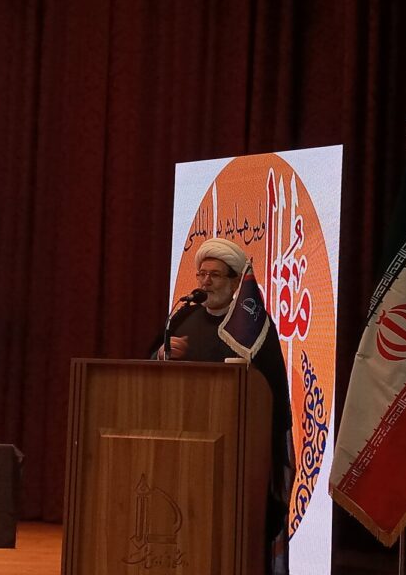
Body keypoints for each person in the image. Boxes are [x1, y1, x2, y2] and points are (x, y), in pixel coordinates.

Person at [155, 237, 294, 575]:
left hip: (239, 452)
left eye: (215, 275)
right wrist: (162, 354)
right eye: (201, 274)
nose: (205, 282)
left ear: (234, 283)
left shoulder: (253, 327)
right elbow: (152, 368)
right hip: (186, 448)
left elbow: (272, 390)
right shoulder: (183, 318)